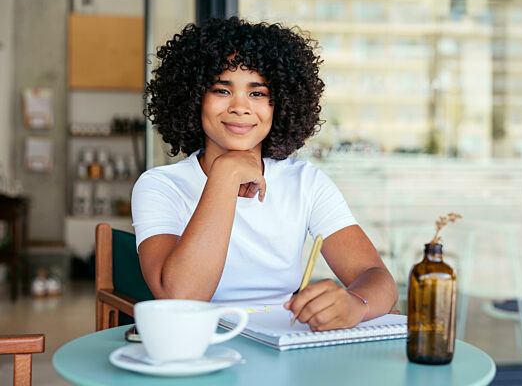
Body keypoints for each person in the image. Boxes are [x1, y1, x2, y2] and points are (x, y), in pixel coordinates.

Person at [132, 16, 398, 331]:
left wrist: (356, 304)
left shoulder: (305, 182)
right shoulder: (160, 186)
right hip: (202, 347)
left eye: (257, 93)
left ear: (280, 104)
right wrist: (225, 175)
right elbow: (181, 299)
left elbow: (378, 279)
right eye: (221, 90)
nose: (240, 107)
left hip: (284, 345)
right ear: (193, 98)